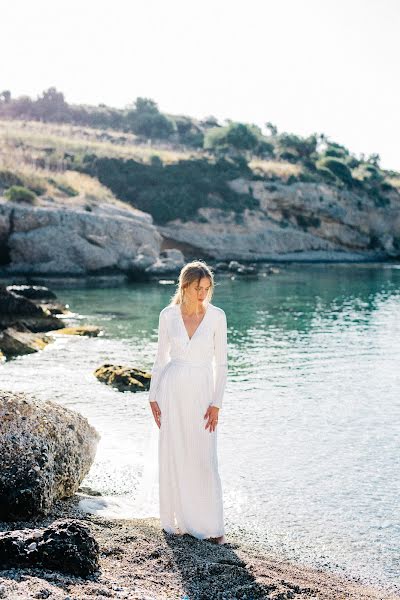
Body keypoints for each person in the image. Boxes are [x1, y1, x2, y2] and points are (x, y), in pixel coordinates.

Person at [148, 260, 228, 544]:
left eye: (207, 288)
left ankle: (211, 525)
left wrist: (216, 403)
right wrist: (152, 395)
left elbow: (223, 364)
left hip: (203, 391)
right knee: (176, 453)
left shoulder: (217, 316)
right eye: (198, 289)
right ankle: (179, 520)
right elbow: (160, 359)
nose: (203, 294)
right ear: (184, 287)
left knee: (204, 457)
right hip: (172, 390)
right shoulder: (168, 315)